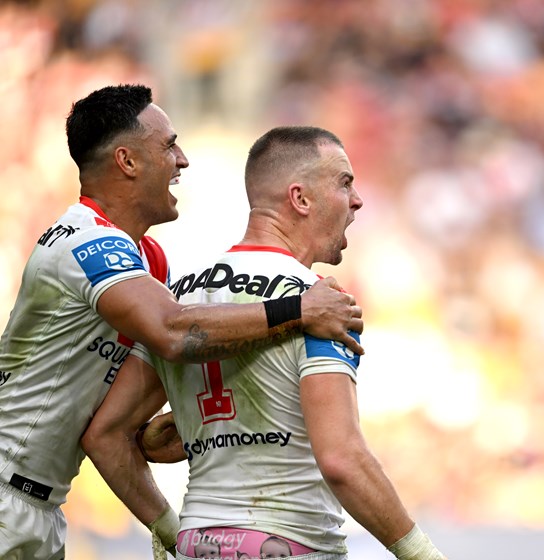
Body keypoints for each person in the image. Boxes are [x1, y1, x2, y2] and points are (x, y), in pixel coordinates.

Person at [0, 85, 365, 560]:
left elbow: (111, 429)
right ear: (128, 162)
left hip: (41, 507)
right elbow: (174, 332)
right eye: (168, 145)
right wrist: (298, 311)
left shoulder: (149, 264)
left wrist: (174, 523)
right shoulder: (82, 244)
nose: (183, 160)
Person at [83, 126, 447, 560]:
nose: (357, 199)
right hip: (288, 542)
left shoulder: (178, 300)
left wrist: (166, 528)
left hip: (197, 542)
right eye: (344, 182)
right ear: (300, 198)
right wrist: (421, 553)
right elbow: (341, 459)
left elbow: (106, 436)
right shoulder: (321, 304)